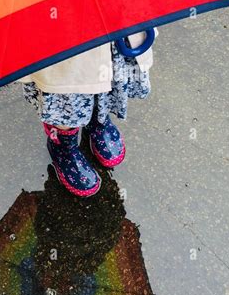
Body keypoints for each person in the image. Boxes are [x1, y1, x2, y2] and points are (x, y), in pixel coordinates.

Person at [19, 31, 157, 198]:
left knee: (107, 67)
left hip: (112, 20)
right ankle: (62, 143)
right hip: (62, 31)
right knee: (66, 83)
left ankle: (98, 117)